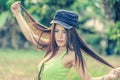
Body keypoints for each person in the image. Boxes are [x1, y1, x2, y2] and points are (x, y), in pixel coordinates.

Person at [11, 1, 120, 80]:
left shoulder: (71, 55)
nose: (60, 36)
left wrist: (108, 77)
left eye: (64, 32)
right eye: (57, 31)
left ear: (71, 34)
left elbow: (87, 79)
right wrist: (17, 14)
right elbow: (31, 37)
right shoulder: (52, 47)